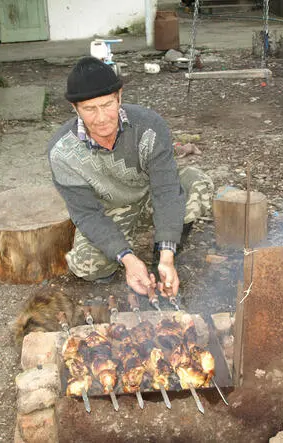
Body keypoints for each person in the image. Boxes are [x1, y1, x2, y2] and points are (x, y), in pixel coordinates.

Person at [48, 56, 213, 298]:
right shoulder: (62, 152)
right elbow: (87, 213)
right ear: (75, 108)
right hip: (108, 210)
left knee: (197, 184)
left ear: (119, 97)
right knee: (88, 266)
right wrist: (127, 258)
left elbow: (165, 190)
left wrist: (167, 253)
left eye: (107, 105)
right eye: (90, 109)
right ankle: (125, 250)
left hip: (148, 198)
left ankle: (164, 250)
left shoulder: (149, 126)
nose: (101, 117)